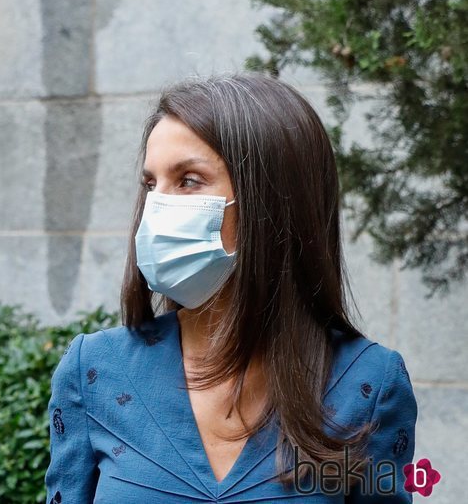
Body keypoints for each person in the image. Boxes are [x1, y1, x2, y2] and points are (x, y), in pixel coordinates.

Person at [45, 74, 417, 502]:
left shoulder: (369, 383)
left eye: (188, 180)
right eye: (151, 184)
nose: (156, 207)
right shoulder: (95, 369)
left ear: (272, 201)